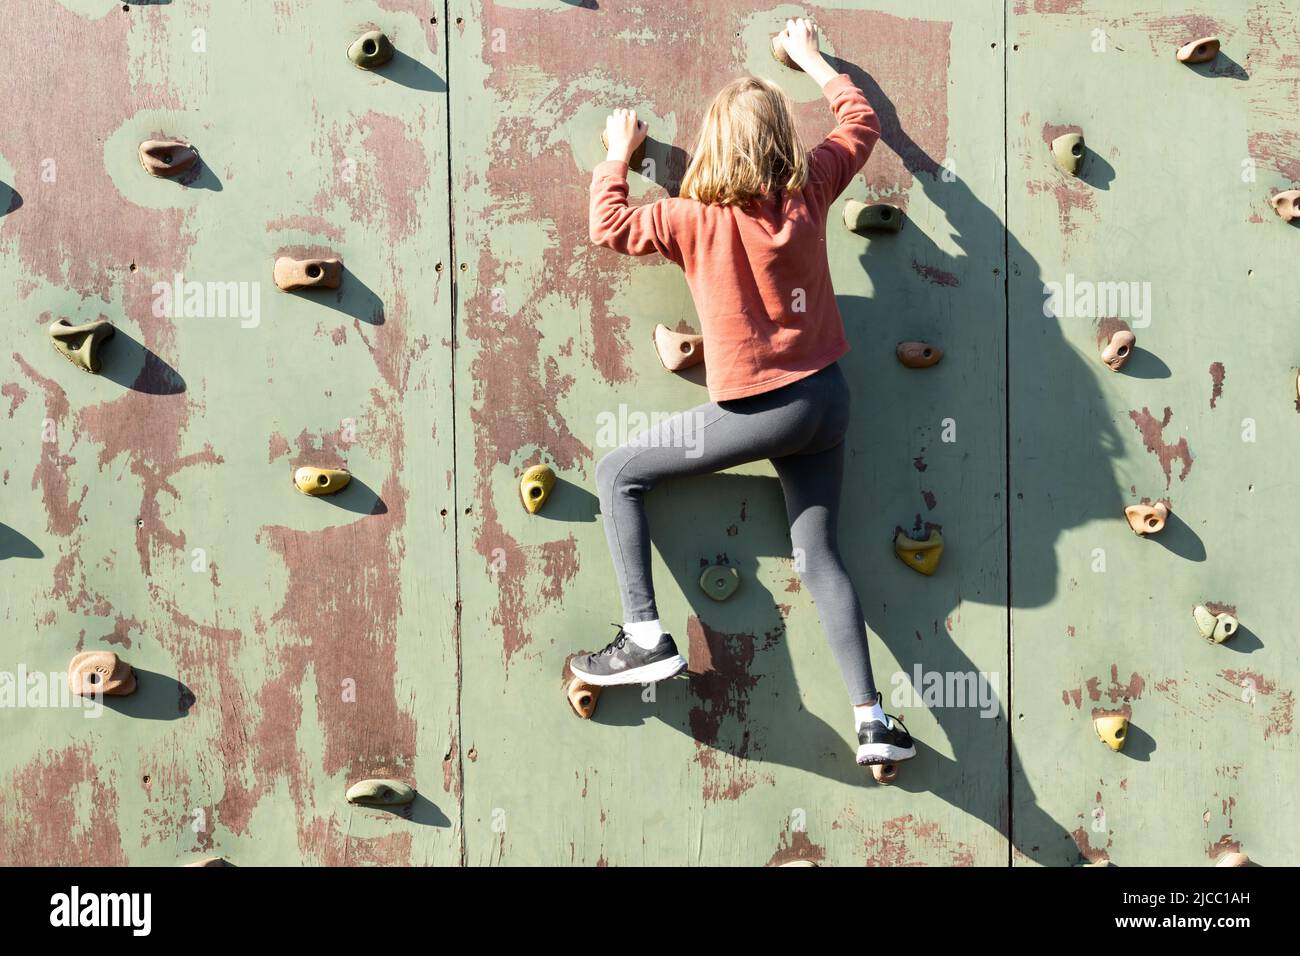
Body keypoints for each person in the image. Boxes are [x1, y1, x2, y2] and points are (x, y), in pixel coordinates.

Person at [571, 19, 915, 769]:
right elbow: (863, 121)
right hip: (826, 403)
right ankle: (872, 718)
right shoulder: (813, 187)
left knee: (617, 473)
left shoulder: (688, 220)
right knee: (819, 556)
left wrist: (615, 156)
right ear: (780, 143)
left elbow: (607, 225)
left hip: (760, 413)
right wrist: (811, 59)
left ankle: (645, 636)